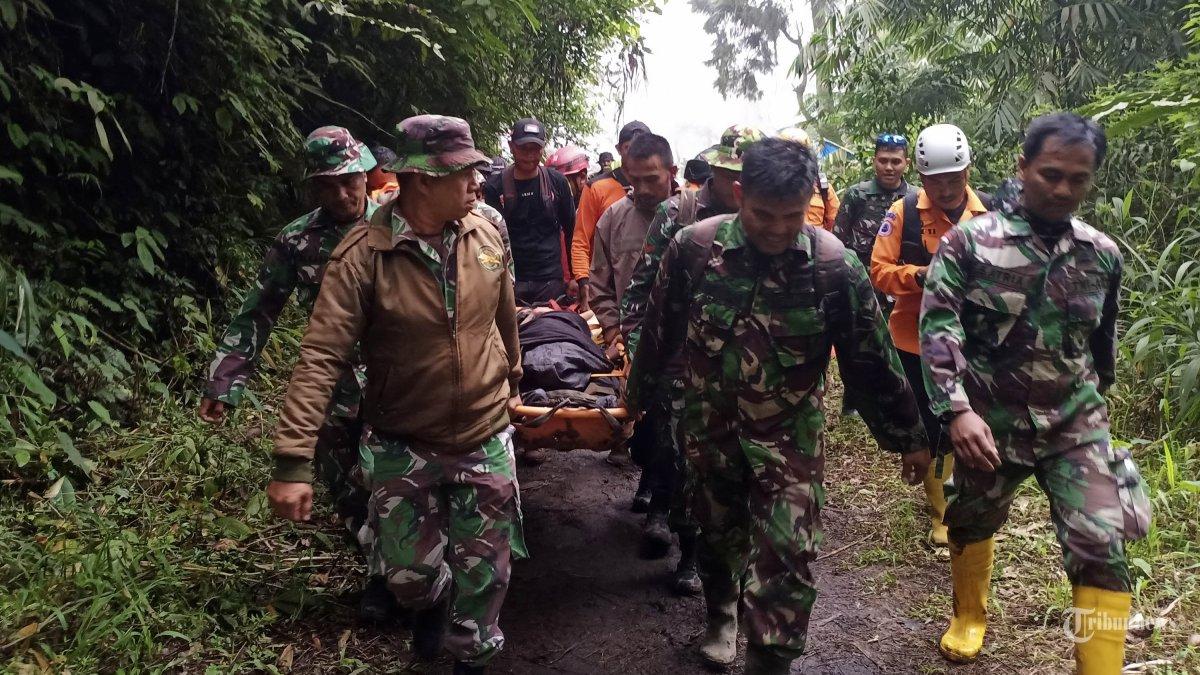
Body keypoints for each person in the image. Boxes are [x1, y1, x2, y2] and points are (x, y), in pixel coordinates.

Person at [632, 137, 928, 673]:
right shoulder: (695, 249)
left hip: (790, 439)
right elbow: (659, 333)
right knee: (717, 537)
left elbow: (872, 362)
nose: (775, 229)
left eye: (791, 216)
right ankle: (721, 611)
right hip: (709, 432)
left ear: (811, 202)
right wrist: (637, 400)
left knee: (789, 560)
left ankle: (769, 661)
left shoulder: (834, 267)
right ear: (739, 193)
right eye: (763, 214)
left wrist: (908, 438)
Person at [267, 115, 526, 675]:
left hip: (483, 430)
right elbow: (320, 357)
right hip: (403, 439)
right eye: (463, 172)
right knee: (408, 579)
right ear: (423, 180)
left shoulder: (488, 230)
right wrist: (292, 460)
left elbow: (504, 313)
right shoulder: (363, 254)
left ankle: (473, 656)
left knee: (487, 573)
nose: (476, 182)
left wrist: (514, 380)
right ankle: (430, 602)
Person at [922, 112, 1148, 673]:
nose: (1063, 189)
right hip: (987, 423)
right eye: (1050, 174)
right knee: (973, 517)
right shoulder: (969, 243)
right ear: (1022, 167)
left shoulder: (1102, 254)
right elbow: (939, 327)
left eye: (1078, 178)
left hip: (1074, 424)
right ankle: (969, 616)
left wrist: (1097, 408)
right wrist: (956, 410)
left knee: (1101, 544)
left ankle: (1100, 667)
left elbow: (1102, 345)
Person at [199, 126, 395, 620]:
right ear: (313, 187)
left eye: (350, 180)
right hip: (330, 382)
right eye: (328, 185)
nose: (343, 194)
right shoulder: (298, 240)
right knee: (346, 487)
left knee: (385, 477)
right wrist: (226, 378)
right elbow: (258, 311)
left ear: (365, 174)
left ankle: (399, 578)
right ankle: (378, 570)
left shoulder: (398, 225)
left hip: (396, 378)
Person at [620, 124, 763, 596]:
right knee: (682, 461)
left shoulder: (767, 219)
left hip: (749, 366)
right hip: (683, 363)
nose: (738, 185)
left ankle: (736, 561)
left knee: (740, 467)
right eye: (730, 174)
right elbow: (641, 291)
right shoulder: (676, 214)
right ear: (717, 171)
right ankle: (689, 553)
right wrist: (642, 354)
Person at [870, 123, 993, 547]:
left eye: (954, 178)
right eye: (936, 180)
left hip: (973, 342)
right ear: (921, 178)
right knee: (932, 427)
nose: (946, 189)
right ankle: (941, 512)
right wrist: (922, 275)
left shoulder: (989, 214)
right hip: (915, 341)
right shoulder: (903, 214)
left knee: (967, 420)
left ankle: (966, 499)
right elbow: (879, 271)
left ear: (967, 172)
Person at [587, 132, 678, 556]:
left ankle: (662, 510)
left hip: (682, 348)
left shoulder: (693, 217)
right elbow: (600, 283)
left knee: (670, 431)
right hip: (632, 344)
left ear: (672, 174)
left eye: (651, 180)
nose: (641, 189)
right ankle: (649, 478)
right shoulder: (613, 219)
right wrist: (612, 331)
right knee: (642, 429)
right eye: (633, 179)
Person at [484, 117, 577, 306]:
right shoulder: (495, 187)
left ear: (542, 149)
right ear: (511, 147)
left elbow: (571, 231)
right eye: (523, 148)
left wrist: (575, 276)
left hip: (550, 279)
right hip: (512, 279)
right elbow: (491, 239)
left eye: (535, 149)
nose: (529, 155)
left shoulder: (556, 183)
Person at [571, 120, 651, 309]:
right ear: (619, 149)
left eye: (643, 146)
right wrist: (584, 282)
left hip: (648, 286)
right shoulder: (597, 187)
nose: (636, 153)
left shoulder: (661, 185)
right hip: (605, 287)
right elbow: (581, 240)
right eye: (629, 147)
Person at [833, 133, 914, 277]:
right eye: (883, 161)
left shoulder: (916, 199)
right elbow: (836, 244)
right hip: (862, 282)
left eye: (896, 162)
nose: (889, 167)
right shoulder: (857, 195)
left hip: (901, 285)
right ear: (874, 161)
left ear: (907, 163)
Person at [776, 127, 840, 231]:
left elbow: (833, 221)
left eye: (799, 153)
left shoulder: (823, 187)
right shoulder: (770, 183)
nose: (794, 158)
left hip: (814, 245)